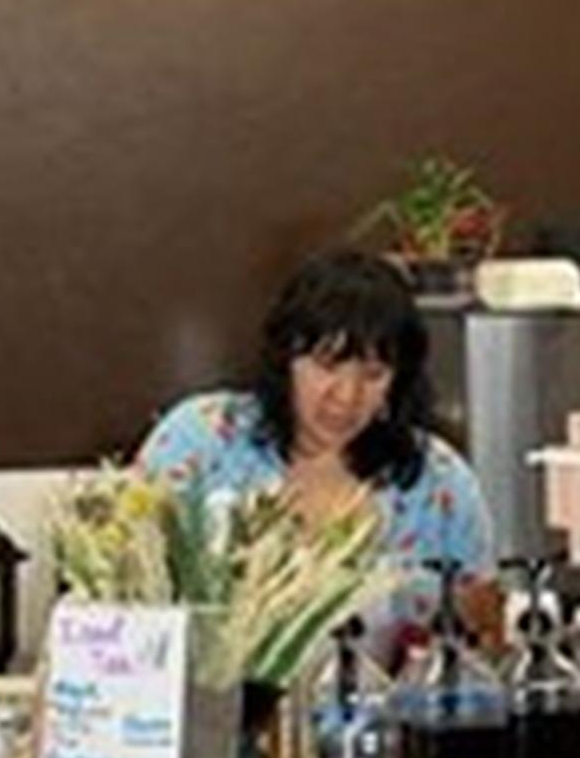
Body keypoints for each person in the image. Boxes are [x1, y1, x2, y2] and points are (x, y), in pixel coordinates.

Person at [136, 249, 492, 636]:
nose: (346, 396)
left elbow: (486, 628)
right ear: (285, 356)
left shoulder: (439, 482)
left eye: (373, 374)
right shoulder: (201, 441)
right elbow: (128, 591)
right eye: (327, 366)